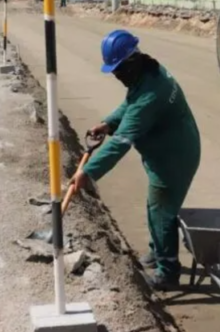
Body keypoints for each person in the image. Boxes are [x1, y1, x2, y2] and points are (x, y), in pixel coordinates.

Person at [68, 29, 202, 291]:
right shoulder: (149, 73)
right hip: (169, 150)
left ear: (131, 62)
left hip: (173, 159)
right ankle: (157, 250)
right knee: (156, 207)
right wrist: (108, 123)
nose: (116, 75)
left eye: (118, 69)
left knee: (162, 211)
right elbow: (129, 105)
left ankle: (168, 271)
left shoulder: (151, 92)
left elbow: (122, 142)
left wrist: (89, 172)